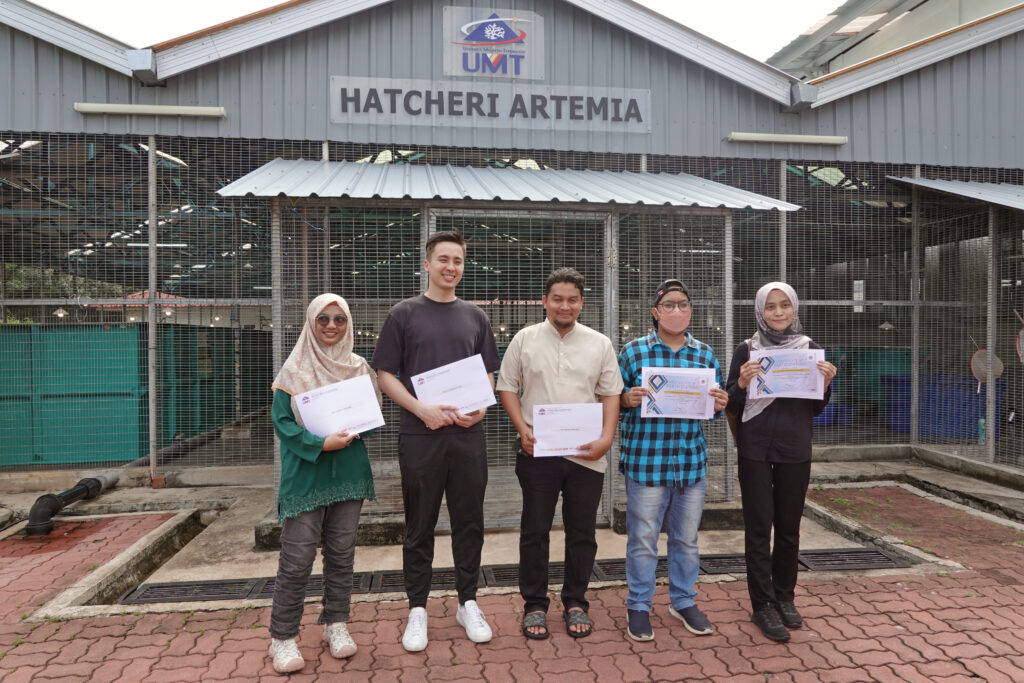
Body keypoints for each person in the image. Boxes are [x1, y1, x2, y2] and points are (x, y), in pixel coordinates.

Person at [371, 231, 500, 652]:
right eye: (443, 259)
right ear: (427, 264)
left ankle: (467, 602)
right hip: (420, 435)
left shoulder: (476, 317)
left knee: (469, 522)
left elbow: (488, 374)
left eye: (458, 260)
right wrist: (420, 409)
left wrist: (481, 409)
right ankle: (417, 608)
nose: (451, 267)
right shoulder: (403, 314)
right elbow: (385, 375)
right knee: (419, 524)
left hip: (467, 435)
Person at [497, 267, 623, 640]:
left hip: (587, 454)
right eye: (557, 299)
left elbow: (611, 393)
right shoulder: (525, 339)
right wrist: (523, 430)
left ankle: (576, 602)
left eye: (572, 299)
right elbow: (507, 387)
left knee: (582, 532)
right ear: (544, 301)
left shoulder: (599, 343)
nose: (564, 306)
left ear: (581, 303)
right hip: (538, 451)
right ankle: (534, 605)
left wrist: (606, 438)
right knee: (535, 530)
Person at [267, 293, 379, 674]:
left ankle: (336, 623)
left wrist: (356, 426)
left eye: (339, 319)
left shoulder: (359, 368)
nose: (332, 326)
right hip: (307, 475)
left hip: (348, 474)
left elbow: (371, 417)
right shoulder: (293, 371)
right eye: (324, 319)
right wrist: (320, 443)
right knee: (297, 559)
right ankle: (282, 637)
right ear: (311, 323)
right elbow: (283, 424)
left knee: (342, 553)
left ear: (348, 324)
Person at [725, 282, 837, 643]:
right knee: (759, 529)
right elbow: (729, 401)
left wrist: (826, 384)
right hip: (755, 449)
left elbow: (816, 408)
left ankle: (785, 597)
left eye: (784, 305)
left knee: (789, 529)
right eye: (770, 306)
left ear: (794, 309)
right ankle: (762, 605)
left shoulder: (810, 350)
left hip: (795, 447)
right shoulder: (747, 349)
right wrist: (742, 383)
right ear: (760, 310)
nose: (777, 312)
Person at [618, 279, 728, 642]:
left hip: (689, 463)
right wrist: (626, 399)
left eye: (682, 305)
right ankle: (639, 604)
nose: (676, 311)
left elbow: (712, 408)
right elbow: (613, 400)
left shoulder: (704, 355)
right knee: (643, 539)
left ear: (691, 311)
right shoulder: (633, 352)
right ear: (655, 312)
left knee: (686, 540)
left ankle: (683, 600)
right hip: (646, 462)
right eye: (669, 305)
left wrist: (719, 404)